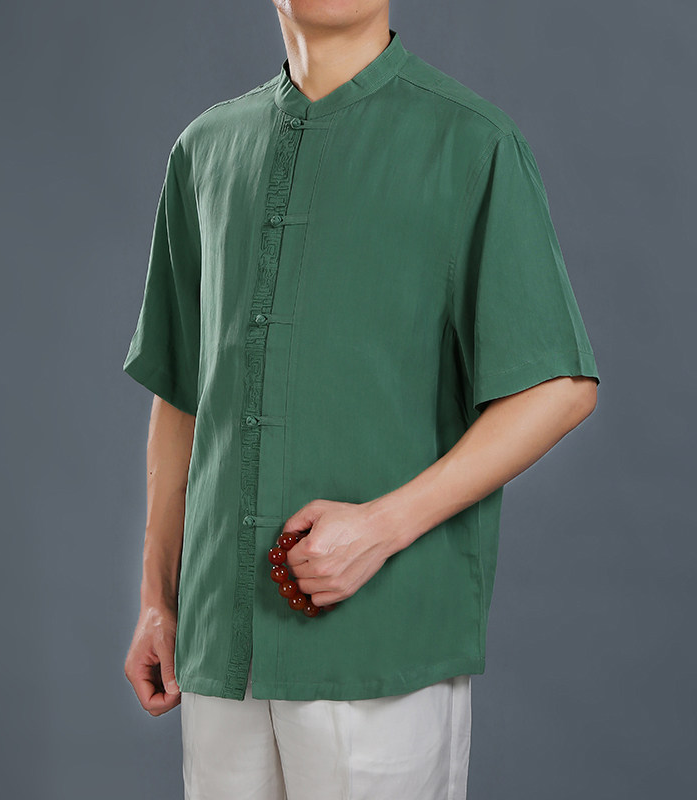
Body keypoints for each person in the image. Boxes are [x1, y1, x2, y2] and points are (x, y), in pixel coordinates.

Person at [122, 2, 601, 798]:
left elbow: (559, 387)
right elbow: (182, 394)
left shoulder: (470, 143)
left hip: (379, 644)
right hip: (219, 646)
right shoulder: (205, 148)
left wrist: (382, 527)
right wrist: (156, 598)